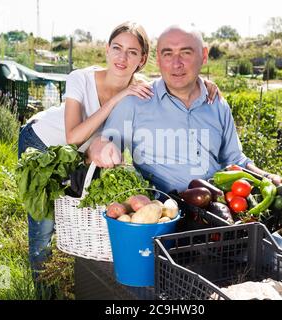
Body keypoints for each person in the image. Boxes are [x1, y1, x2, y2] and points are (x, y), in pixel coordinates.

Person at [17, 21, 222, 298]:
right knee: (43, 225)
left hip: (84, 155)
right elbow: (74, 137)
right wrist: (118, 99)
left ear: (142, 59)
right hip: (43, 143)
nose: (122, 58)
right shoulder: (81, 78)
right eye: (117, 48)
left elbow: (176, 81)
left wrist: (203, 82)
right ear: (106, 49)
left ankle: (74, 278)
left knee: (74, 214)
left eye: (132, 52)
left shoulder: (141, 88)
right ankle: (43, 293)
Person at [88, 25, 282, 264]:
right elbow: (99, 145)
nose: (176, 63)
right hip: (169, 224)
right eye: (167, 53)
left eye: (186, 52)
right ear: (157, 60)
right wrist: (98, 148)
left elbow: (236, 160)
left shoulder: (217, 104)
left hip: (223, 217)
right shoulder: (136, 102)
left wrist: (269, 177)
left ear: (203, 56)